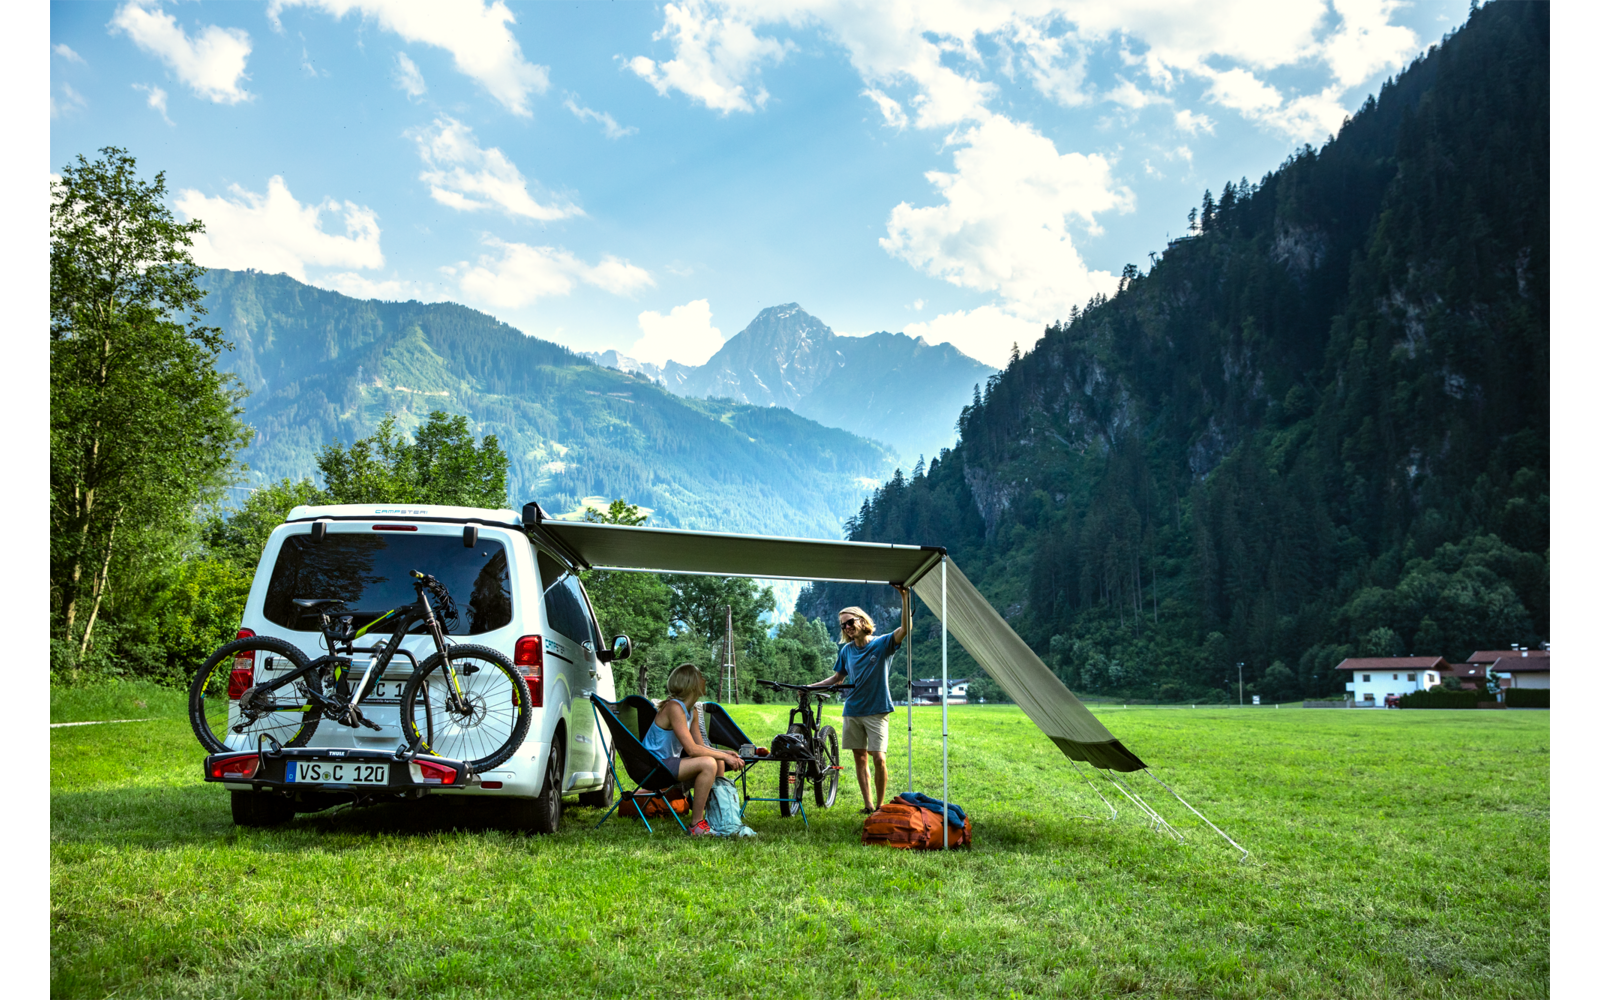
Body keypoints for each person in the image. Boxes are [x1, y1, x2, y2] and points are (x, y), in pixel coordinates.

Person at [809, 586, 911, 814]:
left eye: (849, 622)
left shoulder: (882, 644)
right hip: (853, 710)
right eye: (843, 625)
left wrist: (904, 597)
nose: (846, 627)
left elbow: (905, 628)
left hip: (877, 710)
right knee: (860, 758)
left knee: (879, 759)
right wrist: (809, 687)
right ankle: (868, 805)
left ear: (862, 621)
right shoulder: (846, 651)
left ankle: (882, 806)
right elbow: (837, 678)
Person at [642, 663, 745, 836]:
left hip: (668, 763)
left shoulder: (692, 710)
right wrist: (724, 757)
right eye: (701, 676)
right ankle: (696, 824)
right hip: (654, 766)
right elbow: (691, 750)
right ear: (693, 683)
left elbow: (700, 746)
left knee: (717, 761)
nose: (704, 679)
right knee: (708, 764)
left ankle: (716, 816)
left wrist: (724, 754)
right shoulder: (674, 708)